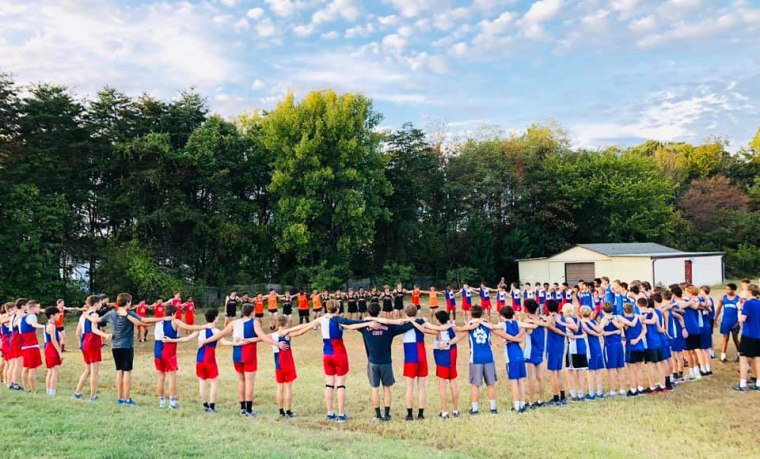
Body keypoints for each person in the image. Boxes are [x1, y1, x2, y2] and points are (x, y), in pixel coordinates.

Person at [86, 293, 168, 405]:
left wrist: (86, 315)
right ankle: (127, 398)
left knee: (119, 371)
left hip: (115, 346)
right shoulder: (129, 313)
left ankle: (119, 398)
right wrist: (164, 318)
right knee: (127, 372)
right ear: (128, 302)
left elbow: (96, 320)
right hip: (126, 346)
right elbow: (144, 320)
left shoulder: (112, 313)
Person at [337, 302, 413, 422]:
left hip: (372, 362)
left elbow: (348, 323)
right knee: (387, 388)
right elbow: (408, 325)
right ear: (380, 311)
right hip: (386, 361)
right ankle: (387, 415)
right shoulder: (389, 327)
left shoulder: (364, 326)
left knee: (374, 388)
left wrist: (333, 318)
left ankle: (377, 415)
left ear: (368, 312)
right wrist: (418, 320)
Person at [215, 303, 285, 417]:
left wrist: (207, 340)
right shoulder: (254, 322)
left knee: (241, 381)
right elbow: (262, 336)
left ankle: (242, 408)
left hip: (236, 355)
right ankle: (249, 410)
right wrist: (277, 343)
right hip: (248, 355)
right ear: (252, 312)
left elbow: (221, 334)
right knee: (249, 382)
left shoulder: (234, 323)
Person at [153, 304, 212, 409]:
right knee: (172, 377)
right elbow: (189, 327)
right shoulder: (174, 321)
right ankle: (172, 403)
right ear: (173, 313)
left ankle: (161, 402)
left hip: (157, 350)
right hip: (168, 350)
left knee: (160, 376)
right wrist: (204, 326)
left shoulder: (158, 321)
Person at [270, 315, 312, 418]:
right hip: (288, 363)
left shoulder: (272, 335)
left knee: (279, 388)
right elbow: (299, 332)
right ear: (286, 324)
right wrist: (310, 326)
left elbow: (259, 337)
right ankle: (288, 411)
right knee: (288, 388)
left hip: (278, 364)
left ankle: (281, 412)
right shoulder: (287, 334)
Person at [72, 295, 112, 401]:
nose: (100, 305)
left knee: (88, 370)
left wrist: (81, 343)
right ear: (95, 304)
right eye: (99, 303)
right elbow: (94, 329)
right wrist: (106, 335)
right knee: (95, 372)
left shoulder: (83, 315)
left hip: (85, 342)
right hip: (92, 341)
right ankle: (93, 396)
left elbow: (78, 332)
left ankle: (77, 393)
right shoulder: (94, 314)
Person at [734, 283, 760, 391]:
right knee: (757, 358)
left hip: (749, 334)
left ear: (749, 292)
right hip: (758, 335)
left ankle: (742, 384)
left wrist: (739, 308)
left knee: (743, 358)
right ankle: (758, 383)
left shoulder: (748, 304)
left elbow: (742, 319)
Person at [619, 301, 646, 397]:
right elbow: (644, 330)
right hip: (640, 345)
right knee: (639, 368)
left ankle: (633, 389)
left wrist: (633, 340)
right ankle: (641, 388)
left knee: (631, 369)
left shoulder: (625, 320)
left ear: (624, 311)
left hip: (631, 346)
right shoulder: (639, 317)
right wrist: (638, 339)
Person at [522, 299, 546, 408]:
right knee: (540, 377)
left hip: (530, 351)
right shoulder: (541, 319)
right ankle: (541, 400)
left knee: (531, 378)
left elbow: (529, 332)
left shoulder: (528, 321)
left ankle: (531, 402)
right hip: (540, 350)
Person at [599, 302, 626, 396]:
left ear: (603, 310)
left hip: (610, 345)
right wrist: (617, 329)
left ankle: (612, 391)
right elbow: (622, 325)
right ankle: (622, 390)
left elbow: (599, 330)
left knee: (611, 369)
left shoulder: (604, 319)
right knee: (620, 368)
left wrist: (609, 331)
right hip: (619, 344)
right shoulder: (617, 317)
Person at [579, 305, 605, 399]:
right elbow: (599, 330)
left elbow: (589, 331)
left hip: (589, 348)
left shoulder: (581, 322)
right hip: (597, 346)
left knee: (590, 371)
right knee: (598, 371)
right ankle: (599, 392)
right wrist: (599, 333)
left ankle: (591, 393)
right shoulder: (593, 321)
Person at [20, 300, 45, 392]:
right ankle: (34, 390)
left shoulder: (23, 317)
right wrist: (44, 327)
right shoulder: (32, 316)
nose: (39, 309)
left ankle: (26, 388)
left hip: (24, 346)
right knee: (32, 369)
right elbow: (33, 324)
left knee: (25, 368)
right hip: (31, 346)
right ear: (33, 308)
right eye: (38, 307)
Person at [716, 283, 741, 362]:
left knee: (735, 338)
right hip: (726, 321)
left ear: (733, 290)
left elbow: (741, 311)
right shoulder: (723, 298)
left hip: (735, 321)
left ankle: (740, 354)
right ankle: (723, 356)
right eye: (726, 289)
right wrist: (715, 319)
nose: (727, 291)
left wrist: (739, 322)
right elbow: (719, 309)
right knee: (725, 338)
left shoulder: (738, 299)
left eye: (729, 289)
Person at [43, 306, 63, 396]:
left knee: (50, 371)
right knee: (55, 370)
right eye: (58, 314)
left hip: (48, 347)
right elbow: (53, 340)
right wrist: (60, 352)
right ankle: (52, 391)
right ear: (52, 315)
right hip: (52, 348)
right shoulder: (51, 326)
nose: (59, 315)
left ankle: (49, 391)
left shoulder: (47, 324)